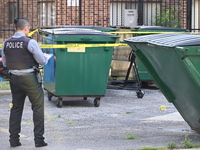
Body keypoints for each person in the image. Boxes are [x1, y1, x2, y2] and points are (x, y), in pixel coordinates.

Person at [1, 17, 48, 147]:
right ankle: (39, 140)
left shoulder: (6, 43)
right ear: (26, 28)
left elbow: (5, 63)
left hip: (14, 79)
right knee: (38, 108)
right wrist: (47, 58)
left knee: (16, 108)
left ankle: (14, 140)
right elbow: (42, 61)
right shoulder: (30, 42)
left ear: (15, 28)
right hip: (30, 78)